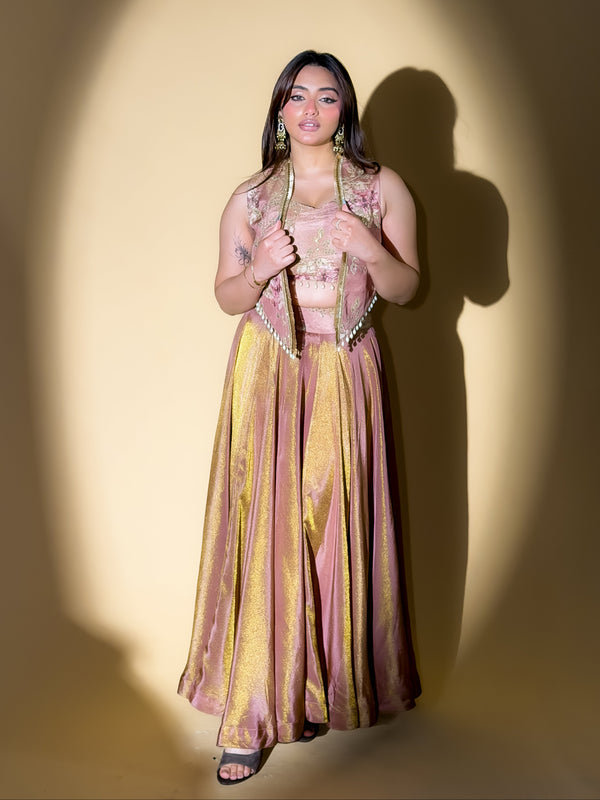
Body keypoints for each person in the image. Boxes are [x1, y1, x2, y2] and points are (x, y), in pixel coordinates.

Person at [178, 50, 421, 785]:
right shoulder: (251, 196)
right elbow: (226, 294)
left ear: (344, 108)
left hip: (347, 370)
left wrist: (371, 248)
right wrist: (257, 270)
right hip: (270, 368)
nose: (310, 110)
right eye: (296, 97)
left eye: (325, 97)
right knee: (271, 532)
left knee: (334, 526)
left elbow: (409, 288)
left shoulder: (381, 189)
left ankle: (321, 687)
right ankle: (251, 713)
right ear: (279, 110)